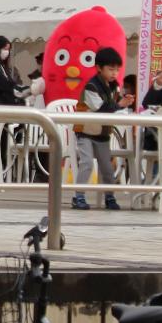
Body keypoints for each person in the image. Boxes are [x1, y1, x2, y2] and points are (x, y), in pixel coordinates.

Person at [70, 47, 123, 211]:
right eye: (110, 69)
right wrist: (119, 105)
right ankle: (78, 196)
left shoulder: (114, 86)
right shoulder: (91, 86)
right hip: (85, 131)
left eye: (117, 69)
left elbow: (115, 104)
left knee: (107, 166)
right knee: (86, 163)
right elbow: (99, 108)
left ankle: (110, 196)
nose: (114, 73)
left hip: (103, 133)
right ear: (99, 68)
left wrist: (124, 101)